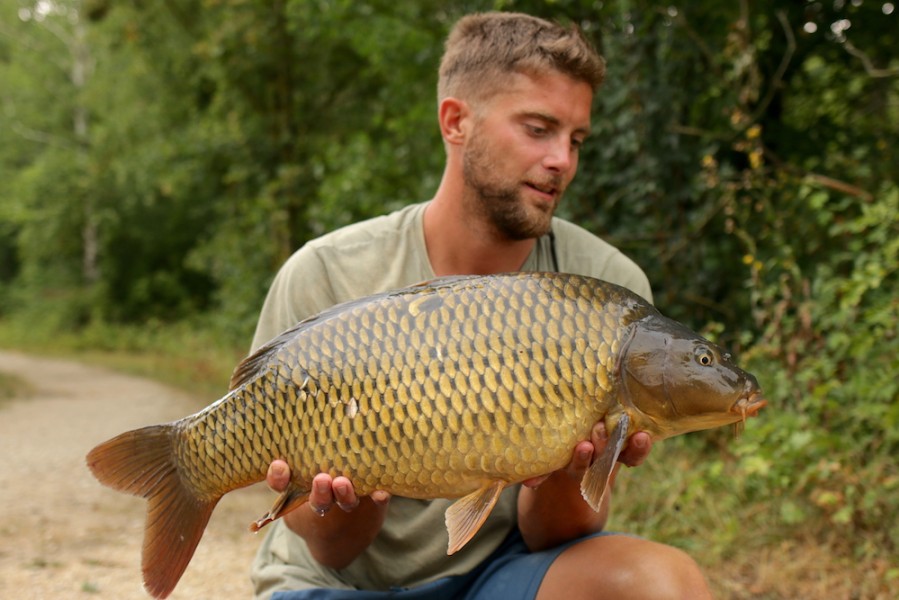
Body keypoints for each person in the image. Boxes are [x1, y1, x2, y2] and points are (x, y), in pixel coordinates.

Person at [249, 11, 713, 600]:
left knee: (662, 584)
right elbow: (332, 547)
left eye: (576, 140)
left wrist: (574, 467)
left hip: (496, 576)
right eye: (539, 129)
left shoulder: (605, 287)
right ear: (456, 122)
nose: (562, 160)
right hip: (332, 582)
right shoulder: (327, 273)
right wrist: (353, 490)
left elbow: (555, 535)